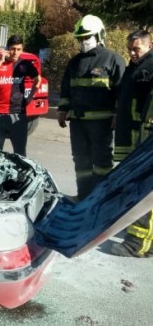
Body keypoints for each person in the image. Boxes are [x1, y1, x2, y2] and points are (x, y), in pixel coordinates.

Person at [57, 15, 125, 201]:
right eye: (80, 38)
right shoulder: (74, 62)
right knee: (81, 161)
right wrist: (63, 110)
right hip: (78, 123)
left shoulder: (113, 60)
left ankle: (101, 199)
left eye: (87, 37)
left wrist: (117, 114)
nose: (83, 41)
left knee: (102, 162)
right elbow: (66, 88)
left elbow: (121, 91)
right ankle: (84, 196)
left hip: (101, 124)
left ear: (99, 35)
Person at [110, 30, 153, 257]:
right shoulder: (134, 67)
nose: (132, 53)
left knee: (144, 190)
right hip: (135, 138)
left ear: (149, 45)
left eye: (136, 48)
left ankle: (136, 243)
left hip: (145, 140)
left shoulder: (152, 66)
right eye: (130, 49)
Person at [0, 34, 41, 156]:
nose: (15, 52)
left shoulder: (25, 65)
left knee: (20, 154)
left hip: (18, 114)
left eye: (19, 49)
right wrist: (1, 61)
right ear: (8, 48)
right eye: (13, 49)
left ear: (22, 49)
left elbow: (38, 80)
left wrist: (30, 97)